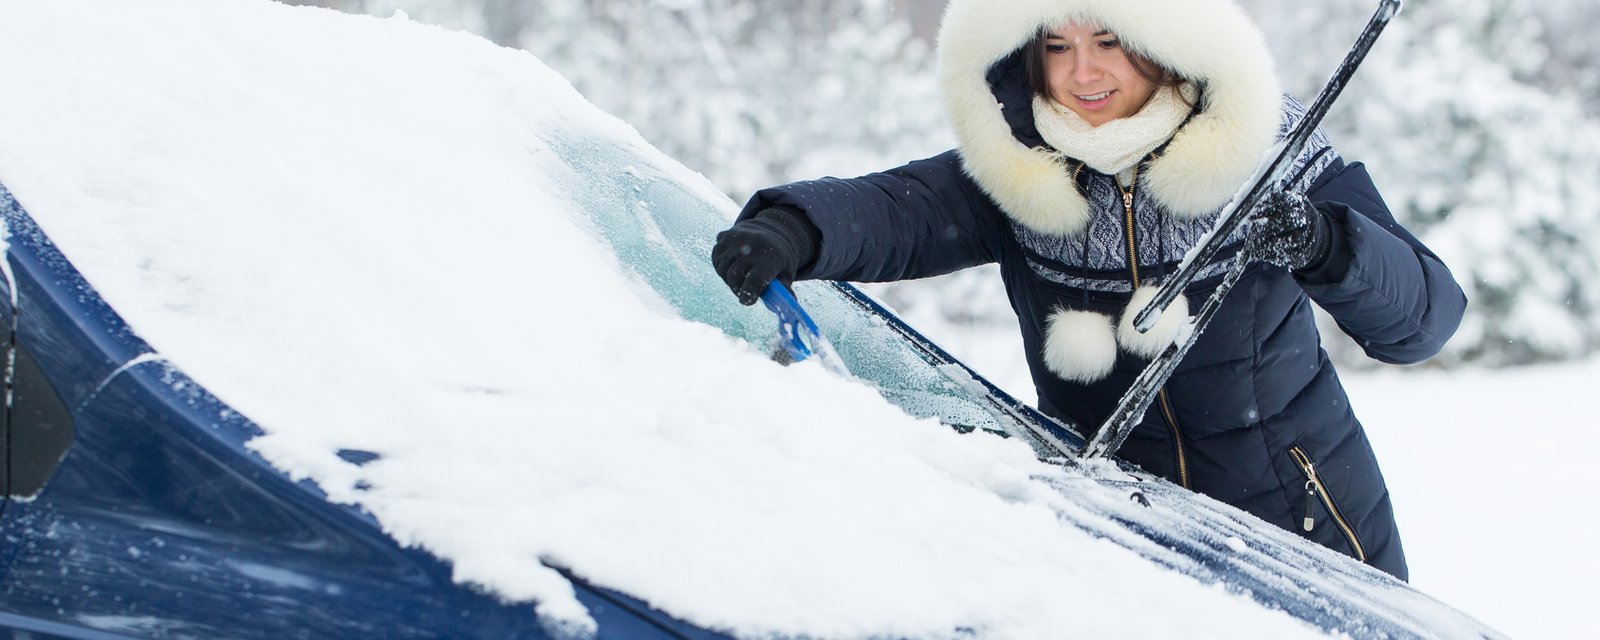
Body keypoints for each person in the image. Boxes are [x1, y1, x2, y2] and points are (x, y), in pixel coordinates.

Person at [710, 0, 1464, 581]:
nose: (1083, 75)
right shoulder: (1019, 164)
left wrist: (1327, 242)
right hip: (1124, 546)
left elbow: (1423, 321)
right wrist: (794, 230)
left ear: (1166, 39)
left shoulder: (1265, 145)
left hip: (1309, 530)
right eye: (1058, 47)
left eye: (1109, 41)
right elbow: (897, 210)